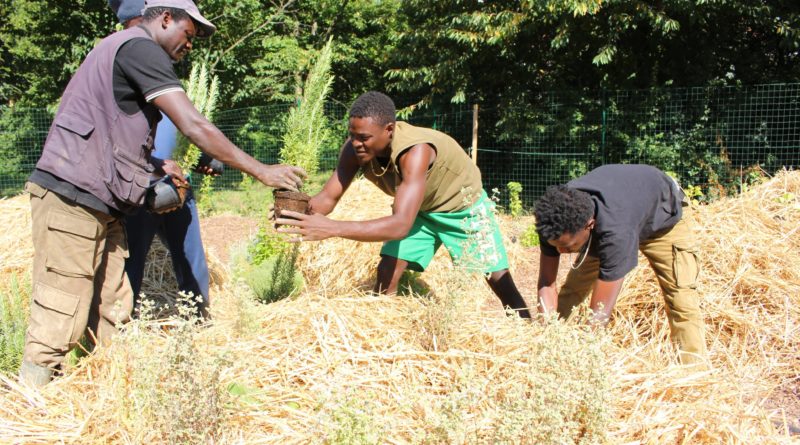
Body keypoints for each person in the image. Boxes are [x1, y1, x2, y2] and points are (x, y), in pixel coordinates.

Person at [21, 0, 305, 386]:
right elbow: (191, 123)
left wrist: (154, 166)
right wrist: (261, 170)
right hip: (73, 198)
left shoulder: (123, 49)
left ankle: (99, 396)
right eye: (188, 34)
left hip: (101, 203)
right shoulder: (139, 48)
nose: (190, 45)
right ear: (166, 18)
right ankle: (35, 407)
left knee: (112, 307)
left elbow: (107, 131)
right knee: (61, 308)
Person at [275, 91, 529, 317]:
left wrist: (331, 228)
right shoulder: (355, 150)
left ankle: (526, 330)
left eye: (363, 137)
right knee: (387, 270)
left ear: (389, 129)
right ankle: (383, 328)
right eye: (352, 135)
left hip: (462, 208)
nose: (356, 143)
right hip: (419, 210)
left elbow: (399, 226)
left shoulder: (415, 152)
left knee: (498, 279)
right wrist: (294, 212)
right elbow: (327, 198)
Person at [108, 0, 218, 317]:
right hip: (138, 185)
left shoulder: (158, 64)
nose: (188, 44)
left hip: (175, 183)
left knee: (190, 254)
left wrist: (209, 154)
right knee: (130, 259)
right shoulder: (126, 57)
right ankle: (120, 328)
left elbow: (184, 121)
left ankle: (199, 317)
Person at [534, 164, 707, 364]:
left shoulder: (615, 233)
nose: (560, 252)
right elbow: (547, 282)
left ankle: (693, 368)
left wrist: (584, 362)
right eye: (555, 246)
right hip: (619, 210)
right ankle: (550, 354)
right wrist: (547, 335)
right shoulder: (553, 220)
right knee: (573, 290)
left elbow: (599, 314)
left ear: (589, 225)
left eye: (568, 246)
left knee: (681, 298)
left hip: (662, 218)